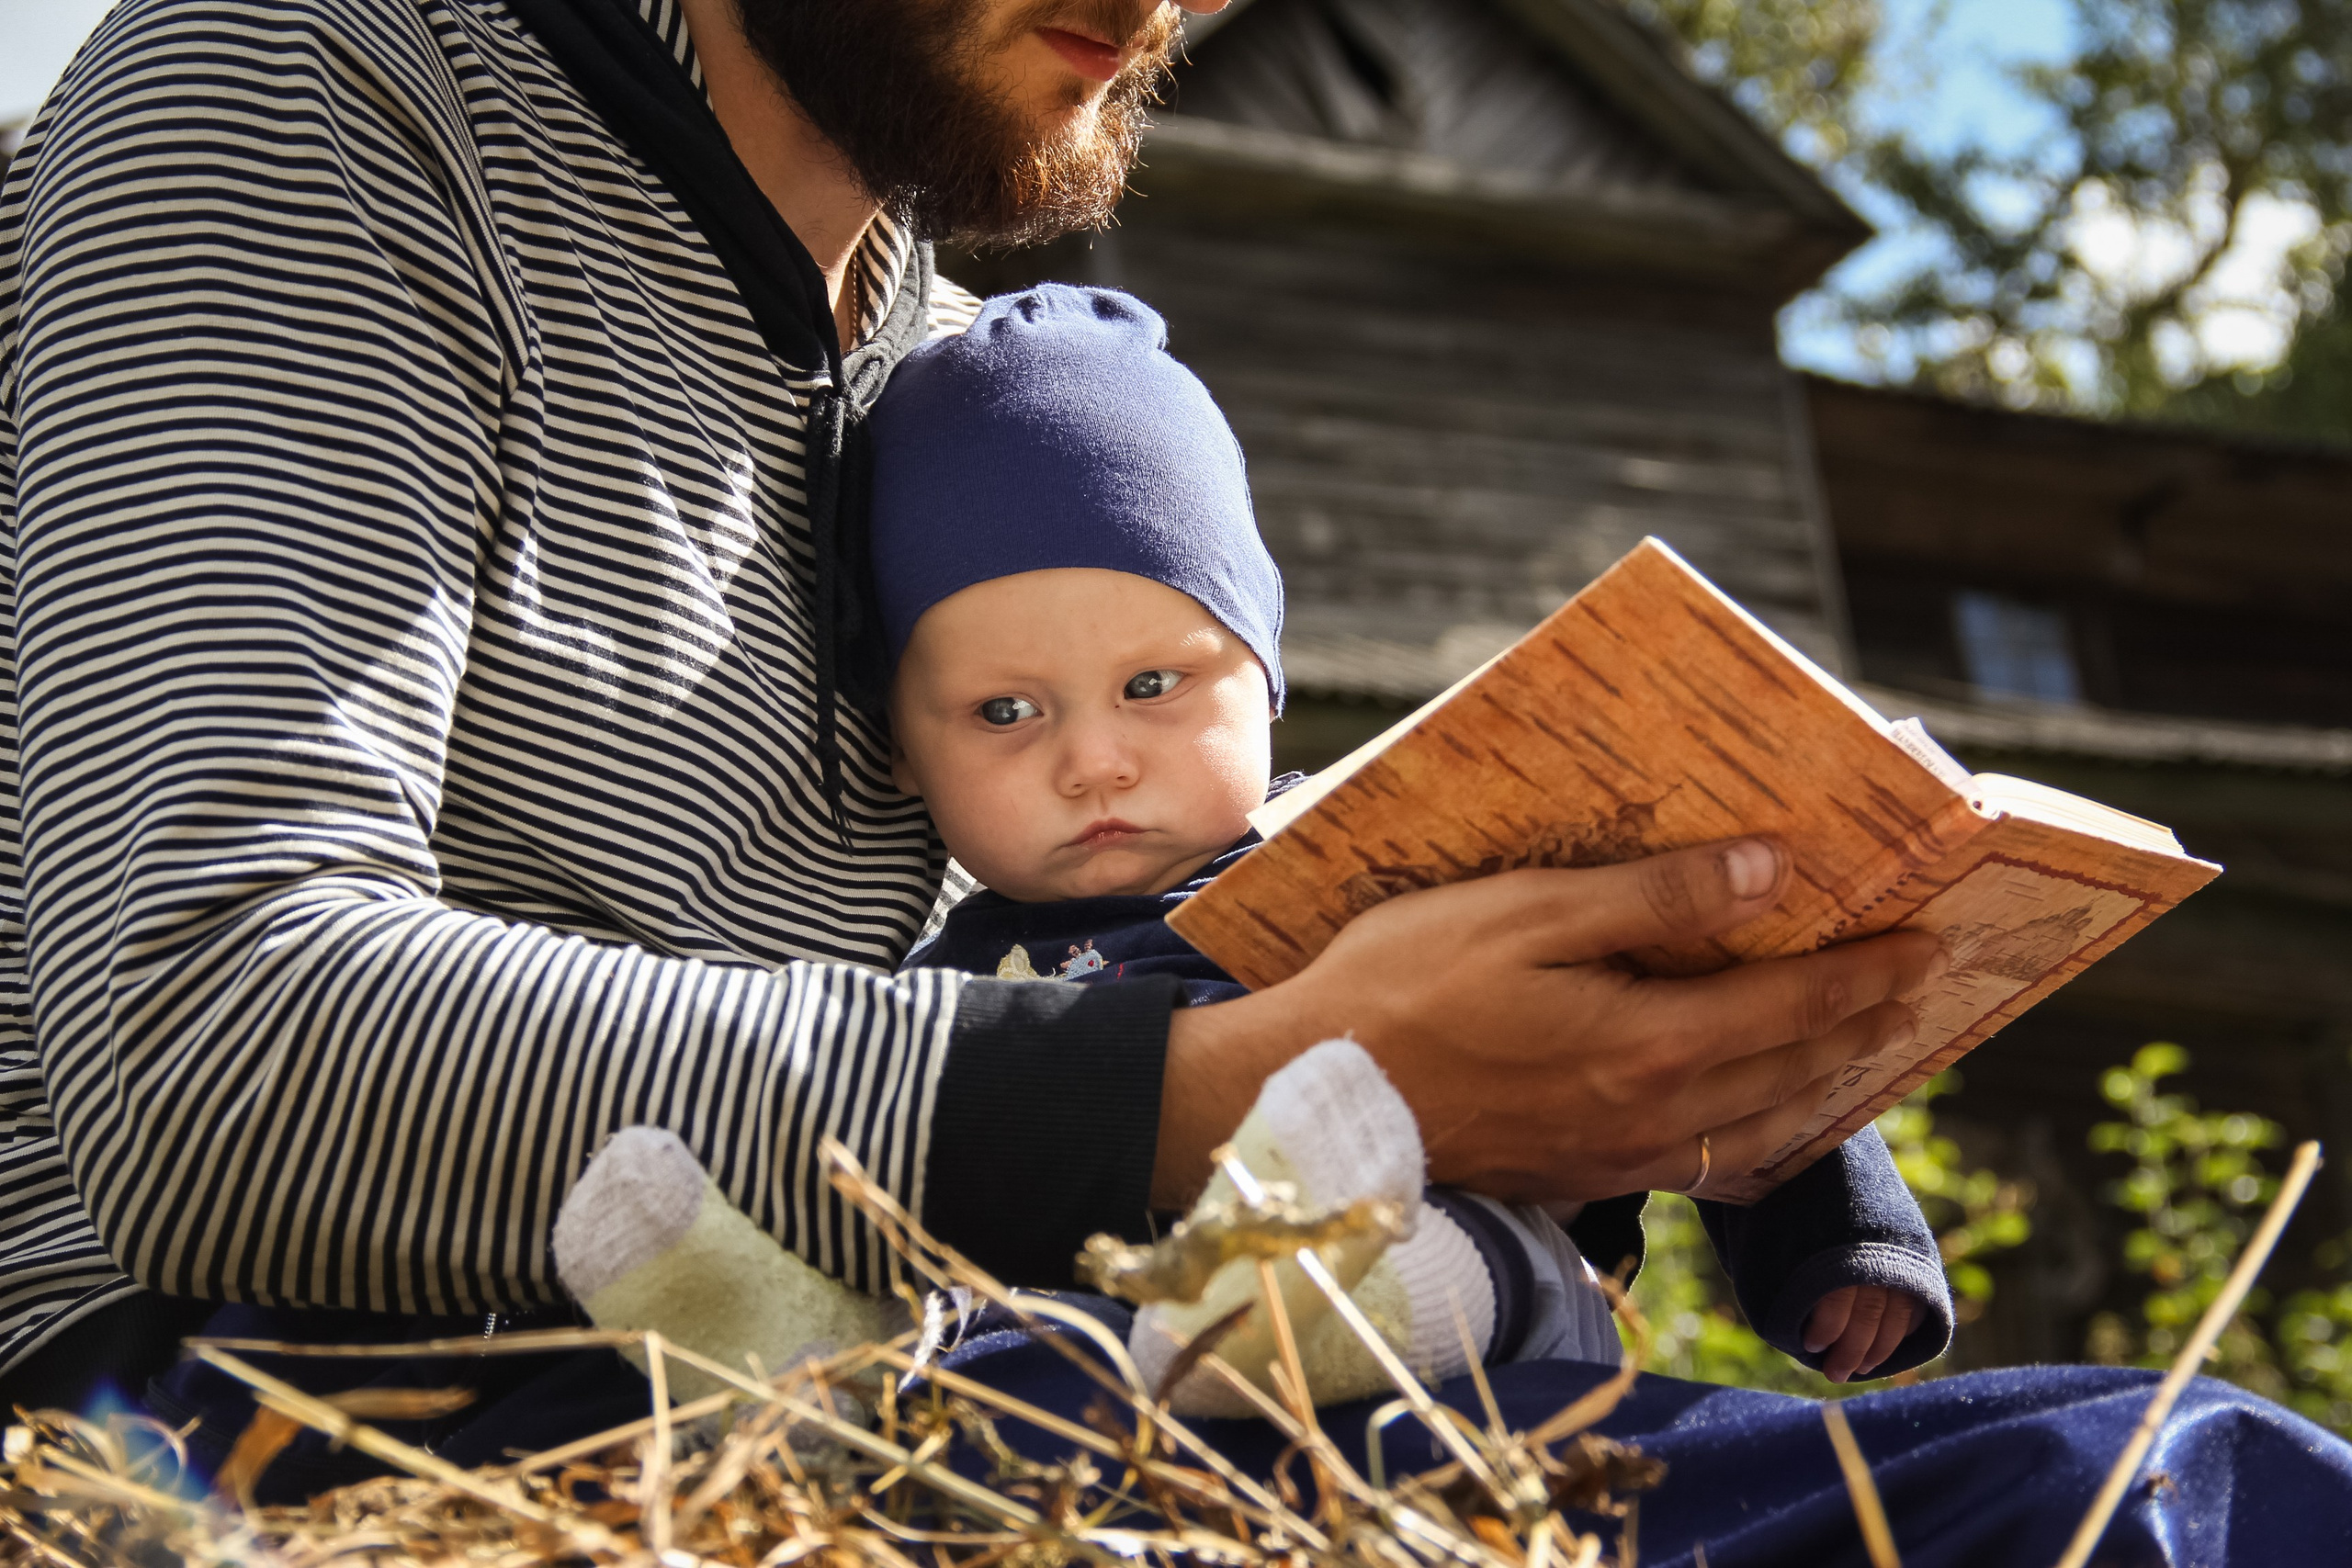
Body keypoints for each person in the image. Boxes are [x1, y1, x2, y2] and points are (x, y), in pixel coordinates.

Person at [4, 0, 2345, 1558]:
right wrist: (1230, 1084)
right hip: (308, 1413)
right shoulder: (306, 94)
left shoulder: (976, 396)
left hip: (985, 1393)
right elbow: (213, 1039)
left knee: (2182, 1488)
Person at [876, 283, 1951, 1393]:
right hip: (1120, 1368)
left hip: (1471, 1317)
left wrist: (1841, 1237)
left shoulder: (1381, 852)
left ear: (1264, 677)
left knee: (1453, 1244)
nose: (1094, 760)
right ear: (900, 747)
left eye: (1153, 685)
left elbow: (1688, 1006)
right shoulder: (927, 1003)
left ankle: (1336, 1304)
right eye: (1005, 711)